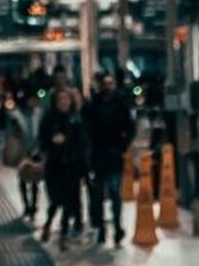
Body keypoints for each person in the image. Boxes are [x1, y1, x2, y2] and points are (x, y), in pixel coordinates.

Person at [83, 72, 135, 246]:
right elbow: (86, 128)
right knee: (98, 195)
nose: (108, 87)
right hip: (98, 154)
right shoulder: (93, 105)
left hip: (114, 154)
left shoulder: (120, 104)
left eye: (111, 84)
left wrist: (123, 146)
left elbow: (130, 127)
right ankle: (101, 228)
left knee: (114, 193)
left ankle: (117, 227)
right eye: (105, 84)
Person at [37, 88, 88, 250]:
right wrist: (52, 142)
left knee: (68, 201)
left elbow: (82, 143)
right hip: (54, 165)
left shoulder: (75, 119)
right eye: (61, 100)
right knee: (56, 200)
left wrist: (83, 164)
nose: (64, 103)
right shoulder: (49, 119)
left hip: (71, 165)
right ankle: (48, 223)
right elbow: (42, 140)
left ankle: (63, 236)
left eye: (67, 100)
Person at [11, 93, 45, 219]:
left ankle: (34, 206)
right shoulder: (16, 115)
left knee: (35, 179)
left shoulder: (38, 113)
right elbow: (12, 135)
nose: (33, 102)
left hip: (36, 150)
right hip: (22, 152)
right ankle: (26, 205)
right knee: (23, 179)